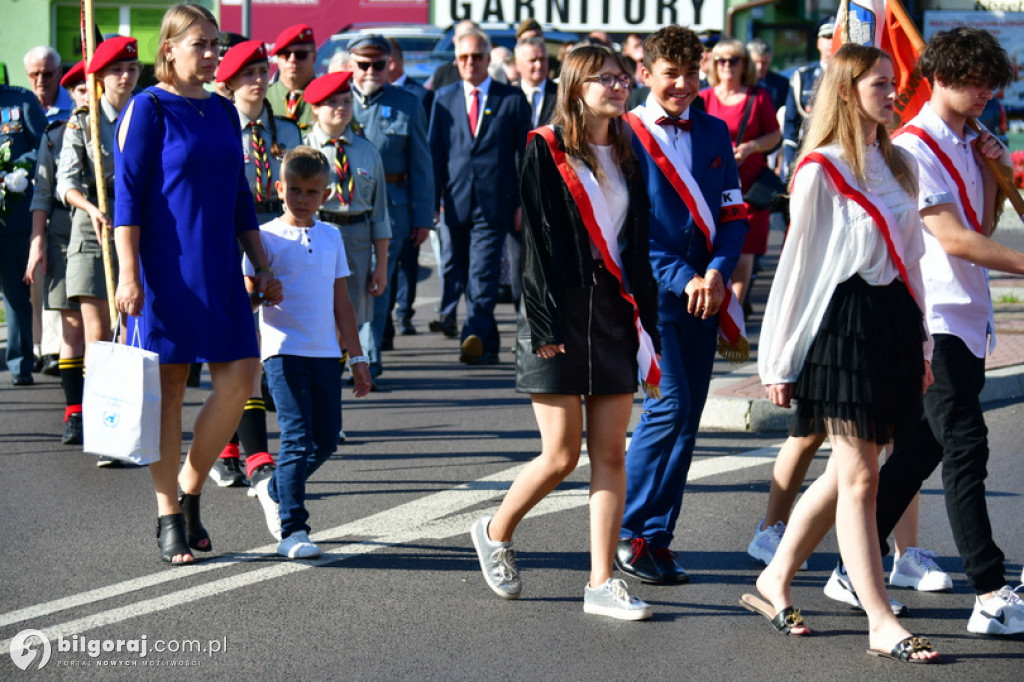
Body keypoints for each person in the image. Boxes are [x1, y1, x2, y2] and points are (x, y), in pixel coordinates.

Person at [749, 44, 939, 663]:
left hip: (893, 321)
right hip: (842, 326)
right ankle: (880, 618)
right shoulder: (819, 170)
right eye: (881, 85)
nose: (893, 94)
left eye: (894, 84)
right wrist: (777, 359)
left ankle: (773, 579)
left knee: (845, 472)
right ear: (847, 89)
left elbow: (913, 260)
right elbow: (798, 272)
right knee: (861, 474)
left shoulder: (898, 162)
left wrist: (924, 338)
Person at [470, 45, 660, 620]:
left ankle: (602, 582)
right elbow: (536, 245)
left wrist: (646, 323)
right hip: (555, 308)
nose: (617, 86)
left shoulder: (630, 153)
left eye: (622, 78)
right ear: (576, 86)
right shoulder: (544, 147)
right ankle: (496, 530)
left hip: (611, 312)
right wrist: (545, 321)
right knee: (560, 455)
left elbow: (638, 246)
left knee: (610, 452)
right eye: (604, 78)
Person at [113, 3, 281, 564]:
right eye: (201, 44)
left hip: (219, 267)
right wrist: (130, 274)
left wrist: (260, 259)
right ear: (169, 49)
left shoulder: (225, 112)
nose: (213, 53)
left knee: (240, 378)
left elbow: (240, 195)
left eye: (216, 44)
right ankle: (168, 515)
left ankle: (189, 488)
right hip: (163, 271)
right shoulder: (147, 108)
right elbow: (127, 200)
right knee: (169, 393)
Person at [875, 26, 1024, 636]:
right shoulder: (912, 146)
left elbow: (982, 222)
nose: (985, 91)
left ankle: (847, 568)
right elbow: (953, 238)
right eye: (972, 81)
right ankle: (989, 589)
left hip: (968, 312)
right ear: (938, 78)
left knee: (923, 449)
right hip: (932, 317)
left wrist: (994, 166)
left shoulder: (971, 140)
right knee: (966, 448)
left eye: (991, 82)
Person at [246, 146, 372, 558]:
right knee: (296, 439)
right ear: (279, 188)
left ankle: (275, 488)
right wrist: (262, 293)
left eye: (311, 191)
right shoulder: (263, 237)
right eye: (294, 189)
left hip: (325, 353)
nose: (301, 198)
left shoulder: (332, 236)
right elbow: (244, 299)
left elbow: (343, 303)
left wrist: (357, 357)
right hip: (283, 352)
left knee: (326, 441)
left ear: (327, 194)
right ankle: (293, 530)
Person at [211, 39, 303, 487]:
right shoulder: (222, 128)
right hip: (235, 244)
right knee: (243, 351)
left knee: (270, 351)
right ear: (228, 82)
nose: (257, 80)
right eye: (246, 74)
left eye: (261, 71)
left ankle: (227, 445)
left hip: (277, 243)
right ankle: (256, 454)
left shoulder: (286, 131)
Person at [57, 37, 140, 466]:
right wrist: (89, 206)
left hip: (137, 227)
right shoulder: (82, 121)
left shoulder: (146, 115)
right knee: (99, 334)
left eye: (131, 70)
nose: (125, 78)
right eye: (116, 71)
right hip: (93, 231)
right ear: (101, 77)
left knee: (129, 332)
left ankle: (125, 422)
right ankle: (103, 428)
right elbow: (64, 182)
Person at [428, 27, 531, 364]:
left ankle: (470, 335)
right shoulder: (443, 99)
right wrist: (433, 204)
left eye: (476, 57)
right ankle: (487, 344)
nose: (470, 63)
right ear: (456, 61)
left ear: (488, 59)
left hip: (495, 203)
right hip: (455, 202)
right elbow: (436, 155)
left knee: (483, 274)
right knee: (464, 272)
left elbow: (524, 156)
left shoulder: (511, 99)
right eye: (463, 57)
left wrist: (520, 203)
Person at [347, 35, 433, 378]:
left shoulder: (408, 104)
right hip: (342, 209)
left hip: (392, 209)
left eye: (378, 64)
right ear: (350, 65)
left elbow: (422, 166)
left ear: (389, 66)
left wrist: (423, 216)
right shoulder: (335, 101)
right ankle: (344, 353)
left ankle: (367, 357)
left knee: (376, 283)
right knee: (345, 283)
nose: (371, 71)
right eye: (363, 64)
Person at [303, 70, 390, 390]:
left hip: (356, 240)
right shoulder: (303, 149)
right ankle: (316, 388)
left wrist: (380, 265)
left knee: (345, 323)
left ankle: (330, 389)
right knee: (318, 320)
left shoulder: (367, 151)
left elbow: (380, 215)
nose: (340, 108)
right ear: (315, 109)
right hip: (317, 234)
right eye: (331, 103)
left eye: (345, 101)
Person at [24, 61, 88, 444]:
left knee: (107, 329)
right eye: (79, 90)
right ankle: (74, 413)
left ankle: (106, 406)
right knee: (72, 328)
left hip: (108, 232)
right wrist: (37, 243)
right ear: (71, 95)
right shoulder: (56, 135)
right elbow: (43, 195)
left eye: (90, 89)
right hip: (64, 234)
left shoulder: (118, 132)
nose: (85, 96)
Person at [699, 38, 780, 308]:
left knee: (744, 252)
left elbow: (775, 136)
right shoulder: (703, 97)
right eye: (721, 60)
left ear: (744, 64)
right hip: (711, 187)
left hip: (750, 187)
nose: (727, 66)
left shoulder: (758, 97)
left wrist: (751, 147)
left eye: (734, 60)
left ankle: (734, 308)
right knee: (713, 249)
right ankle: (716, 304)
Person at [1, 79, 48, 387]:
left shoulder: (20, 101)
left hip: (11, 219)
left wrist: (18, 169)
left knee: (17, 297)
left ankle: (20, 364)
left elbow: (45, 143)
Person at [782, 18, 834, 176]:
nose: (831, 41)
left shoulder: (853, 78)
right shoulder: (802, 78)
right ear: (818, 43)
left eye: (835, 35)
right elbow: (791, 122)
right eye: (827, 36)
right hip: (808, 154)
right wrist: (790, 160)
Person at [266, 24, 317, 132]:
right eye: (285, 54)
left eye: (300, 54)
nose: (292, 60)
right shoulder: (262, 98)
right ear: (278, 59)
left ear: (314, 57)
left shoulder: (329, 99)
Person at [23, 46, 72, 123]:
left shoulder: (75, 103)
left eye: (47, 74)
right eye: (34, 74)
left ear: (59, 72)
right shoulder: (21, 106)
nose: (40, 80)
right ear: (27, 73)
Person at [747, 38, 789, 113]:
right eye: (755, 62)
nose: (759, 67)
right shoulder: (739, 83)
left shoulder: (782, 84)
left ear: (770, 60)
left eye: (764, 62)